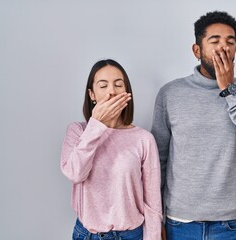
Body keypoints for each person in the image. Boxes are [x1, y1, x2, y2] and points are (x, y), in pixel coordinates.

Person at [151, 11, 236, 240]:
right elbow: (157, 161)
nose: (224, 48)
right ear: (197, 50)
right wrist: (155, 219)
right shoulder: (171, 94)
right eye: (215, 41)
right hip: (180, 222)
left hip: (230, 224)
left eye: (230, 41)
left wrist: (230, 91)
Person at [60, 59, 162, 240]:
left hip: (131, 235)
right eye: (103, 85)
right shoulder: (78, 131)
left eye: (118, 84)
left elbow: (152, 203)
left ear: (127, 92)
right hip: (87, 235)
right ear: (92, 94)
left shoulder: (143, 139)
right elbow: (75, 173)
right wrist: (97, 124)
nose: (111, 91)